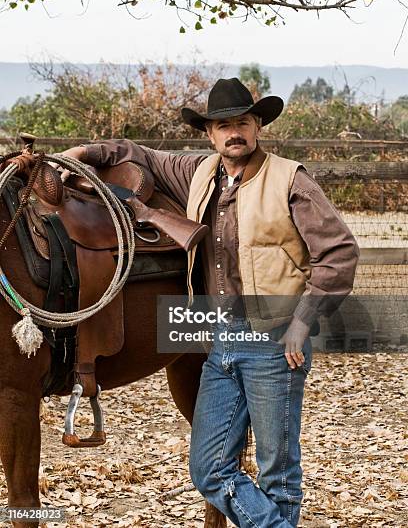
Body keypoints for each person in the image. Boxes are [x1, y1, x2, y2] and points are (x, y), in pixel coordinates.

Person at [59, 77, 359, 527]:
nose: (232, 132)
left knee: (278, 471)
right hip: (220, 339)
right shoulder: (199, 173)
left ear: (258, 125)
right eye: (222, 125)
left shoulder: (290, 179)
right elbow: (137, 155)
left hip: (275, 340)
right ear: (209, 133)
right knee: (208, 468)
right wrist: (81, 154)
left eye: (242, 122)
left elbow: (338, 252)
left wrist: (302, 323)